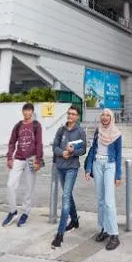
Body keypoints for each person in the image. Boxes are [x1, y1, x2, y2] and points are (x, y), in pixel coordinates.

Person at [84, 109, 123, 250]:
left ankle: (114, 234)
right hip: (97, 165)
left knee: (109, 201)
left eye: (108, 115)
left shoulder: (117, 134)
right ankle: (103, 229)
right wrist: (88, 168)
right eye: (103, 115)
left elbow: (119, 155)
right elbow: (92, 150)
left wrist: (118, 175)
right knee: (100, 200)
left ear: (111, 118)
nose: (105, 117)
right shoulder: (97, 131)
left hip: (109, 165)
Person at [51, 105, 87, 248]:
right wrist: (62, 153)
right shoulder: (61, 130)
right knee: (68, 195)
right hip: (60, 167)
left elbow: (83, 149)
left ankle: (59, 234)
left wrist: (72, 152)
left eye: (73, 114)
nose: (70, 116)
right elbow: (54, 146)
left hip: (72, 168)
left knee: (65, 196)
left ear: (77, 116)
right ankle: (74, 220)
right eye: (69, 114)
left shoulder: (80, 131)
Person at [3, 102, 44, 227]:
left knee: (29, 188)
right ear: (22, 112)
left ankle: (25, 212)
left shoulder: (36, 125)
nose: (26, 112)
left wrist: (38, 160)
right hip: (18, 158)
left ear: (32, 112)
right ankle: (13, 211)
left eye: (29, 110)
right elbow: (12, 142)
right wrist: (10, 157)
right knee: (10, 185)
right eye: (24, 110)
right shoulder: (18, 126)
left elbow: (39, 143)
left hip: (31, 159)